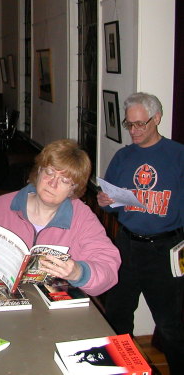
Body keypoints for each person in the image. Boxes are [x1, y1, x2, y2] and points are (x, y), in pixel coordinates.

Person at [0, 139, 120, 297]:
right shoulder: (0, 206)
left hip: (55, 315)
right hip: (1, 303)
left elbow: (108, 268)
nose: (53, 183)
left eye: (65, 180)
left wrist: (79, 272)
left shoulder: (82, 218)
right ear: (39, 171)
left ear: (73, 189)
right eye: (49, 172)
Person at [97, 92, 184, 374]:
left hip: (164, 249)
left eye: (140, 124)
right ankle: (122, 369)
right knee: (117, 316)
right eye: (129, 124)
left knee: (170, 325)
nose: (134, 131)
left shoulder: (178, 156)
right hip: (127, 245)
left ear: (156, 119)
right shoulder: (123, 157)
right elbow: (109, 201)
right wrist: (104, 201)